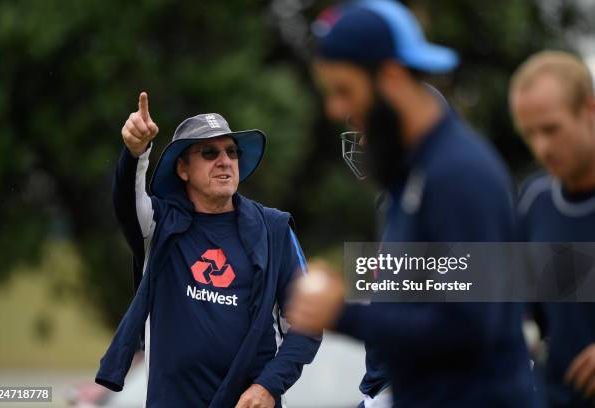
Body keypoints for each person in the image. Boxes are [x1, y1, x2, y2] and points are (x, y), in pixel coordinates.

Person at [287, 1, 538, 407]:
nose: (337, 110)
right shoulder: (412, 176)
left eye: (345, 91)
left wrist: (343, 314)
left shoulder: (458, 174)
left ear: (391, 76)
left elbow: (472, 326)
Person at [94, 92, 321, 407]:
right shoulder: (158, 225)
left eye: (231, 151)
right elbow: (125, 199)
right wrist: (136, 151)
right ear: (183, 169)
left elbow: (309, 322)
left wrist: (269, 387)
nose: (225, 160)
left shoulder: (274, 229)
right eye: (209, 152)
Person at [510, 50, 595, 407]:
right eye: (529, 133)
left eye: (551, 129)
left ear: (589, 110)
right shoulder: (535, 198)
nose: (541, 146)